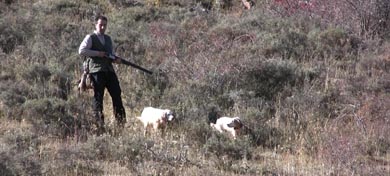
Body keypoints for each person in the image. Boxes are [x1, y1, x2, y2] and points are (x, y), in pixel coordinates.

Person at [78, 15, 126, 135]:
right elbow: (82, 51)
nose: (103, 27)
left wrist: (116, 60)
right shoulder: (90, 37)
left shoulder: (108, 39)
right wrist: (98, 53)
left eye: (105, 25)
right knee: (98, 98)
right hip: (96, 72)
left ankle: (121, 123)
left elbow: (110, 55)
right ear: (96, 24)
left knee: (117, 95)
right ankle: (99, 125)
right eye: (101, 25)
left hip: (109, 71)